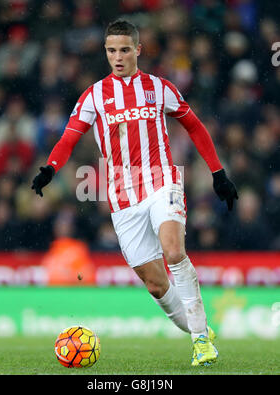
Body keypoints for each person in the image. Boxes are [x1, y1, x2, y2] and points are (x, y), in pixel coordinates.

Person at [31, 19, 238, 366]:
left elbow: (195, 126)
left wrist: (218, 173)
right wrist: (51, 167)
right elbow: (69, 137)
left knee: (173, 251)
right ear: (106, 52)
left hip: (162, 182)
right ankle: (199, 328)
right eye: (111, 50)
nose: (118, 56)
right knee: (156, 285)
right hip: (123, 198)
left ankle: (201, 341)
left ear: (138, 50)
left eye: (125, 49)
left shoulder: (159, 88)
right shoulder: (93, 95)